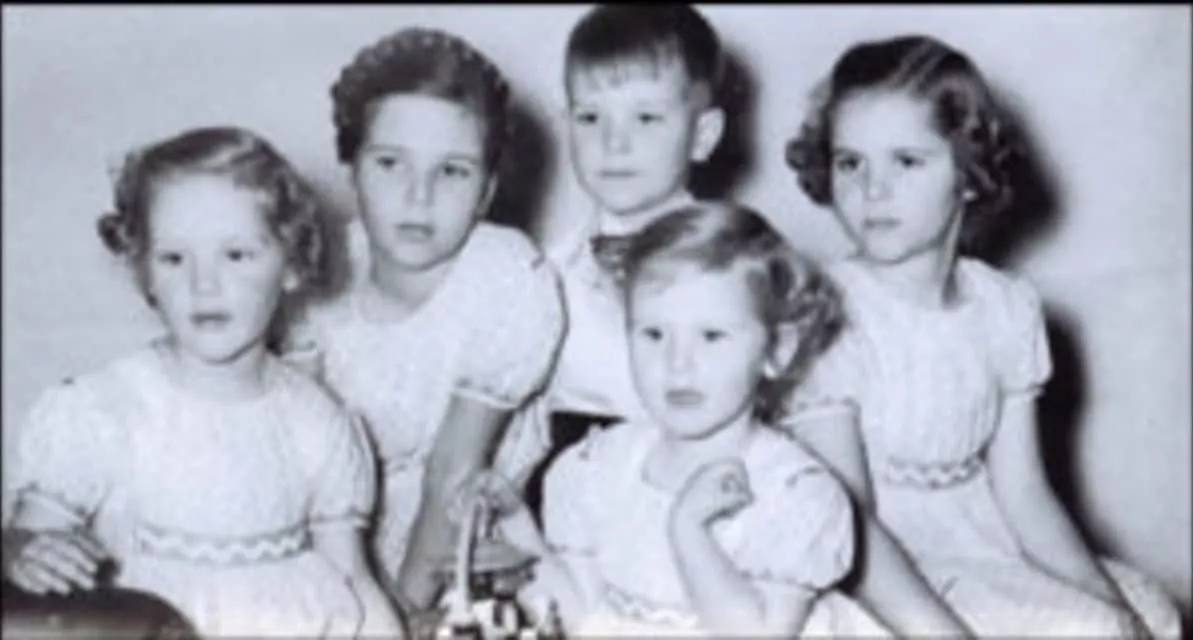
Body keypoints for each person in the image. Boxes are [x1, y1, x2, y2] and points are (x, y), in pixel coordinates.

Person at [783, 33, 1182, 637]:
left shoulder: (1005, 310)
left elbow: (1025, 496)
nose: (872, 189)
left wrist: (1114, 606)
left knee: (1145, 615)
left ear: (969, 175)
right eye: (850, 162)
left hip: (984, 549)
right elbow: (850, 525)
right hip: (874, 578)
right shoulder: (825, 315)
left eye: (906, 161)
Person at [2, 127, 401, 637]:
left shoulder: (314, 422)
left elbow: (353, 583)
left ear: (291, 265)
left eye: (235, 255)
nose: (203, 284)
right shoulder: (106, 410)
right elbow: (25, 543)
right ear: (144, 272)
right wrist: (23, 552)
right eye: (174, 258)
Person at [280, 26, 565, 625]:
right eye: (390, 164)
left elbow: (452, 474)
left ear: (486, 191)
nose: (419, 196)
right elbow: (298, 463)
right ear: (351, 168)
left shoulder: (505, 276)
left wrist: (403, 613)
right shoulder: (320, 275)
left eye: (453, 172)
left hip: (465, 565)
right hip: (336, 558)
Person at [477, 203, 865, 637]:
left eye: (712, 336)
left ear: (778, 350)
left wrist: (689, 532)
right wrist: (518, 527)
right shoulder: (600, 467)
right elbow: (582, 620)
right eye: (654, 334)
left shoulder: (793, 494)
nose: (678, 364)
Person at [519, 3, 730, 517]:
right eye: (591, 117)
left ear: (702, 135)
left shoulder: (738, 266)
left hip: (700, 502)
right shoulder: (544, 275)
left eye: (646, 117)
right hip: (574, 516)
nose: (614, 143)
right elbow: (525, 425)